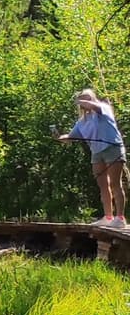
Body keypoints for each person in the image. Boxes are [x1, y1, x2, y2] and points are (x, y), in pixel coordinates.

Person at [60, 88, 127, 225]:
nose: (84, 103)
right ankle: (107, 217)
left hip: (112, 147)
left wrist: (82, 100)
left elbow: (94, 106)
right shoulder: (81, 122)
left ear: (93, 99)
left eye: (87, 99)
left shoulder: (103, 108)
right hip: (96, 153)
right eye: (82, 100)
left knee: (115, 183)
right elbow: (72, 136)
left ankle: (120, 218)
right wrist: (61, 137)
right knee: (103, 185)